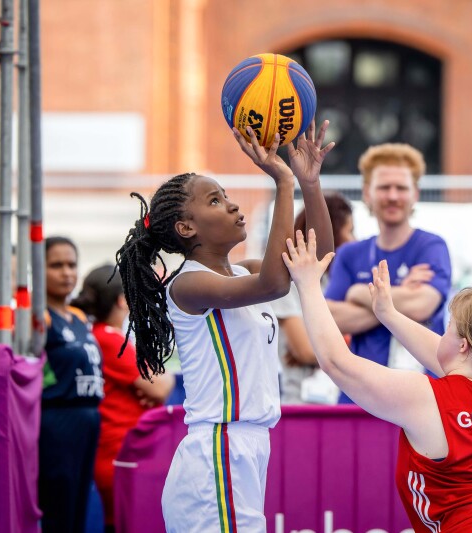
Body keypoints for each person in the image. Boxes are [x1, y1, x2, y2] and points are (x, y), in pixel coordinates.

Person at [114, 121, 335, 531]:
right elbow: (271, 283)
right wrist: (282, 182)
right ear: (186, 228)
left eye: (227, 196)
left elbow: (316, 256)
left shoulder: (240, 271)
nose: (232, 205)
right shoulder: (188, 283)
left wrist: (309, 183)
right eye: (215, 201)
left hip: (247, 444)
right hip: (219, 444)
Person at [284, 229, 472, 531]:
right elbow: (452, 358)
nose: (442, 335)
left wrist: (307, 285)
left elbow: (336, 362)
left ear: (463, 345)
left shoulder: (428, 397)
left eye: (449, 327)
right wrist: (388, 314)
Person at [323, 143, 452, 403]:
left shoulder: (431, 246)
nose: (393, 196)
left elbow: (422, 305)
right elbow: (332, 319)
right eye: (384, 187)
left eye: (401, 188)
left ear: (415, 194)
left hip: (424, 398)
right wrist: (401, 295)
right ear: (367, 194)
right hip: (360, 397)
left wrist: (359, 292)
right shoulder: (350, 253)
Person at [71, 264, 175, 533]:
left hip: (124, 451)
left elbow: (150, 384)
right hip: (119, 454)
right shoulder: (107, 339)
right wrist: (165, 379)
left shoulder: (107, 337)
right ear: (121, 299)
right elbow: (157, 387)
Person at [39, 236, 104, 533]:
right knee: (58, 507)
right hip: (56, 419)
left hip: (89, 418)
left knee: (79, 505)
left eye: (71, 265)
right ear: (39, 269)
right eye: (56, 265)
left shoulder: (78, 317)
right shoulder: (39, 318)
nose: (66, 272)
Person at [271, 192, 354, 404]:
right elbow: (305, 350)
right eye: (350, 231)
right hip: (302, 403)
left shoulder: (335, 281)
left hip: (339, 400)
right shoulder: (288, 283)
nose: (355, 240)